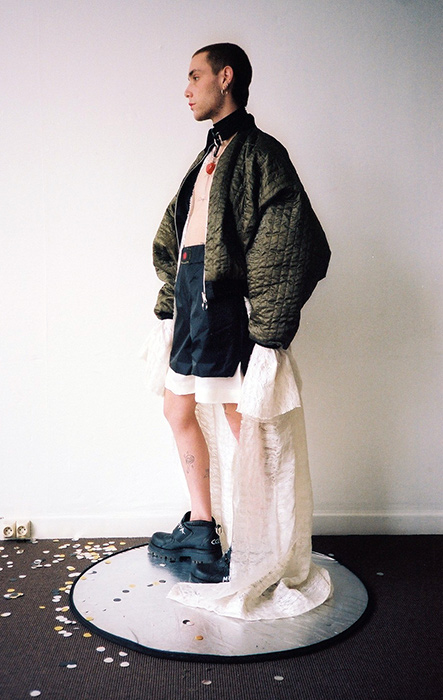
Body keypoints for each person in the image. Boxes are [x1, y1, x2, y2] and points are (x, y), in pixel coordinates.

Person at [145, 43, 332, 618]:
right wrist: (170, 301)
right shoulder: (210, 153)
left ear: (225, 78)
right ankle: (202, 529)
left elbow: (292, 240)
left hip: (225, 307)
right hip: (192, 301)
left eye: (195, 75)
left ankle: (261, 549)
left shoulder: (261, 153)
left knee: (244, 423)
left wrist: (267, 327)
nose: (186, 88)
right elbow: (180, 235)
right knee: (178, 408)